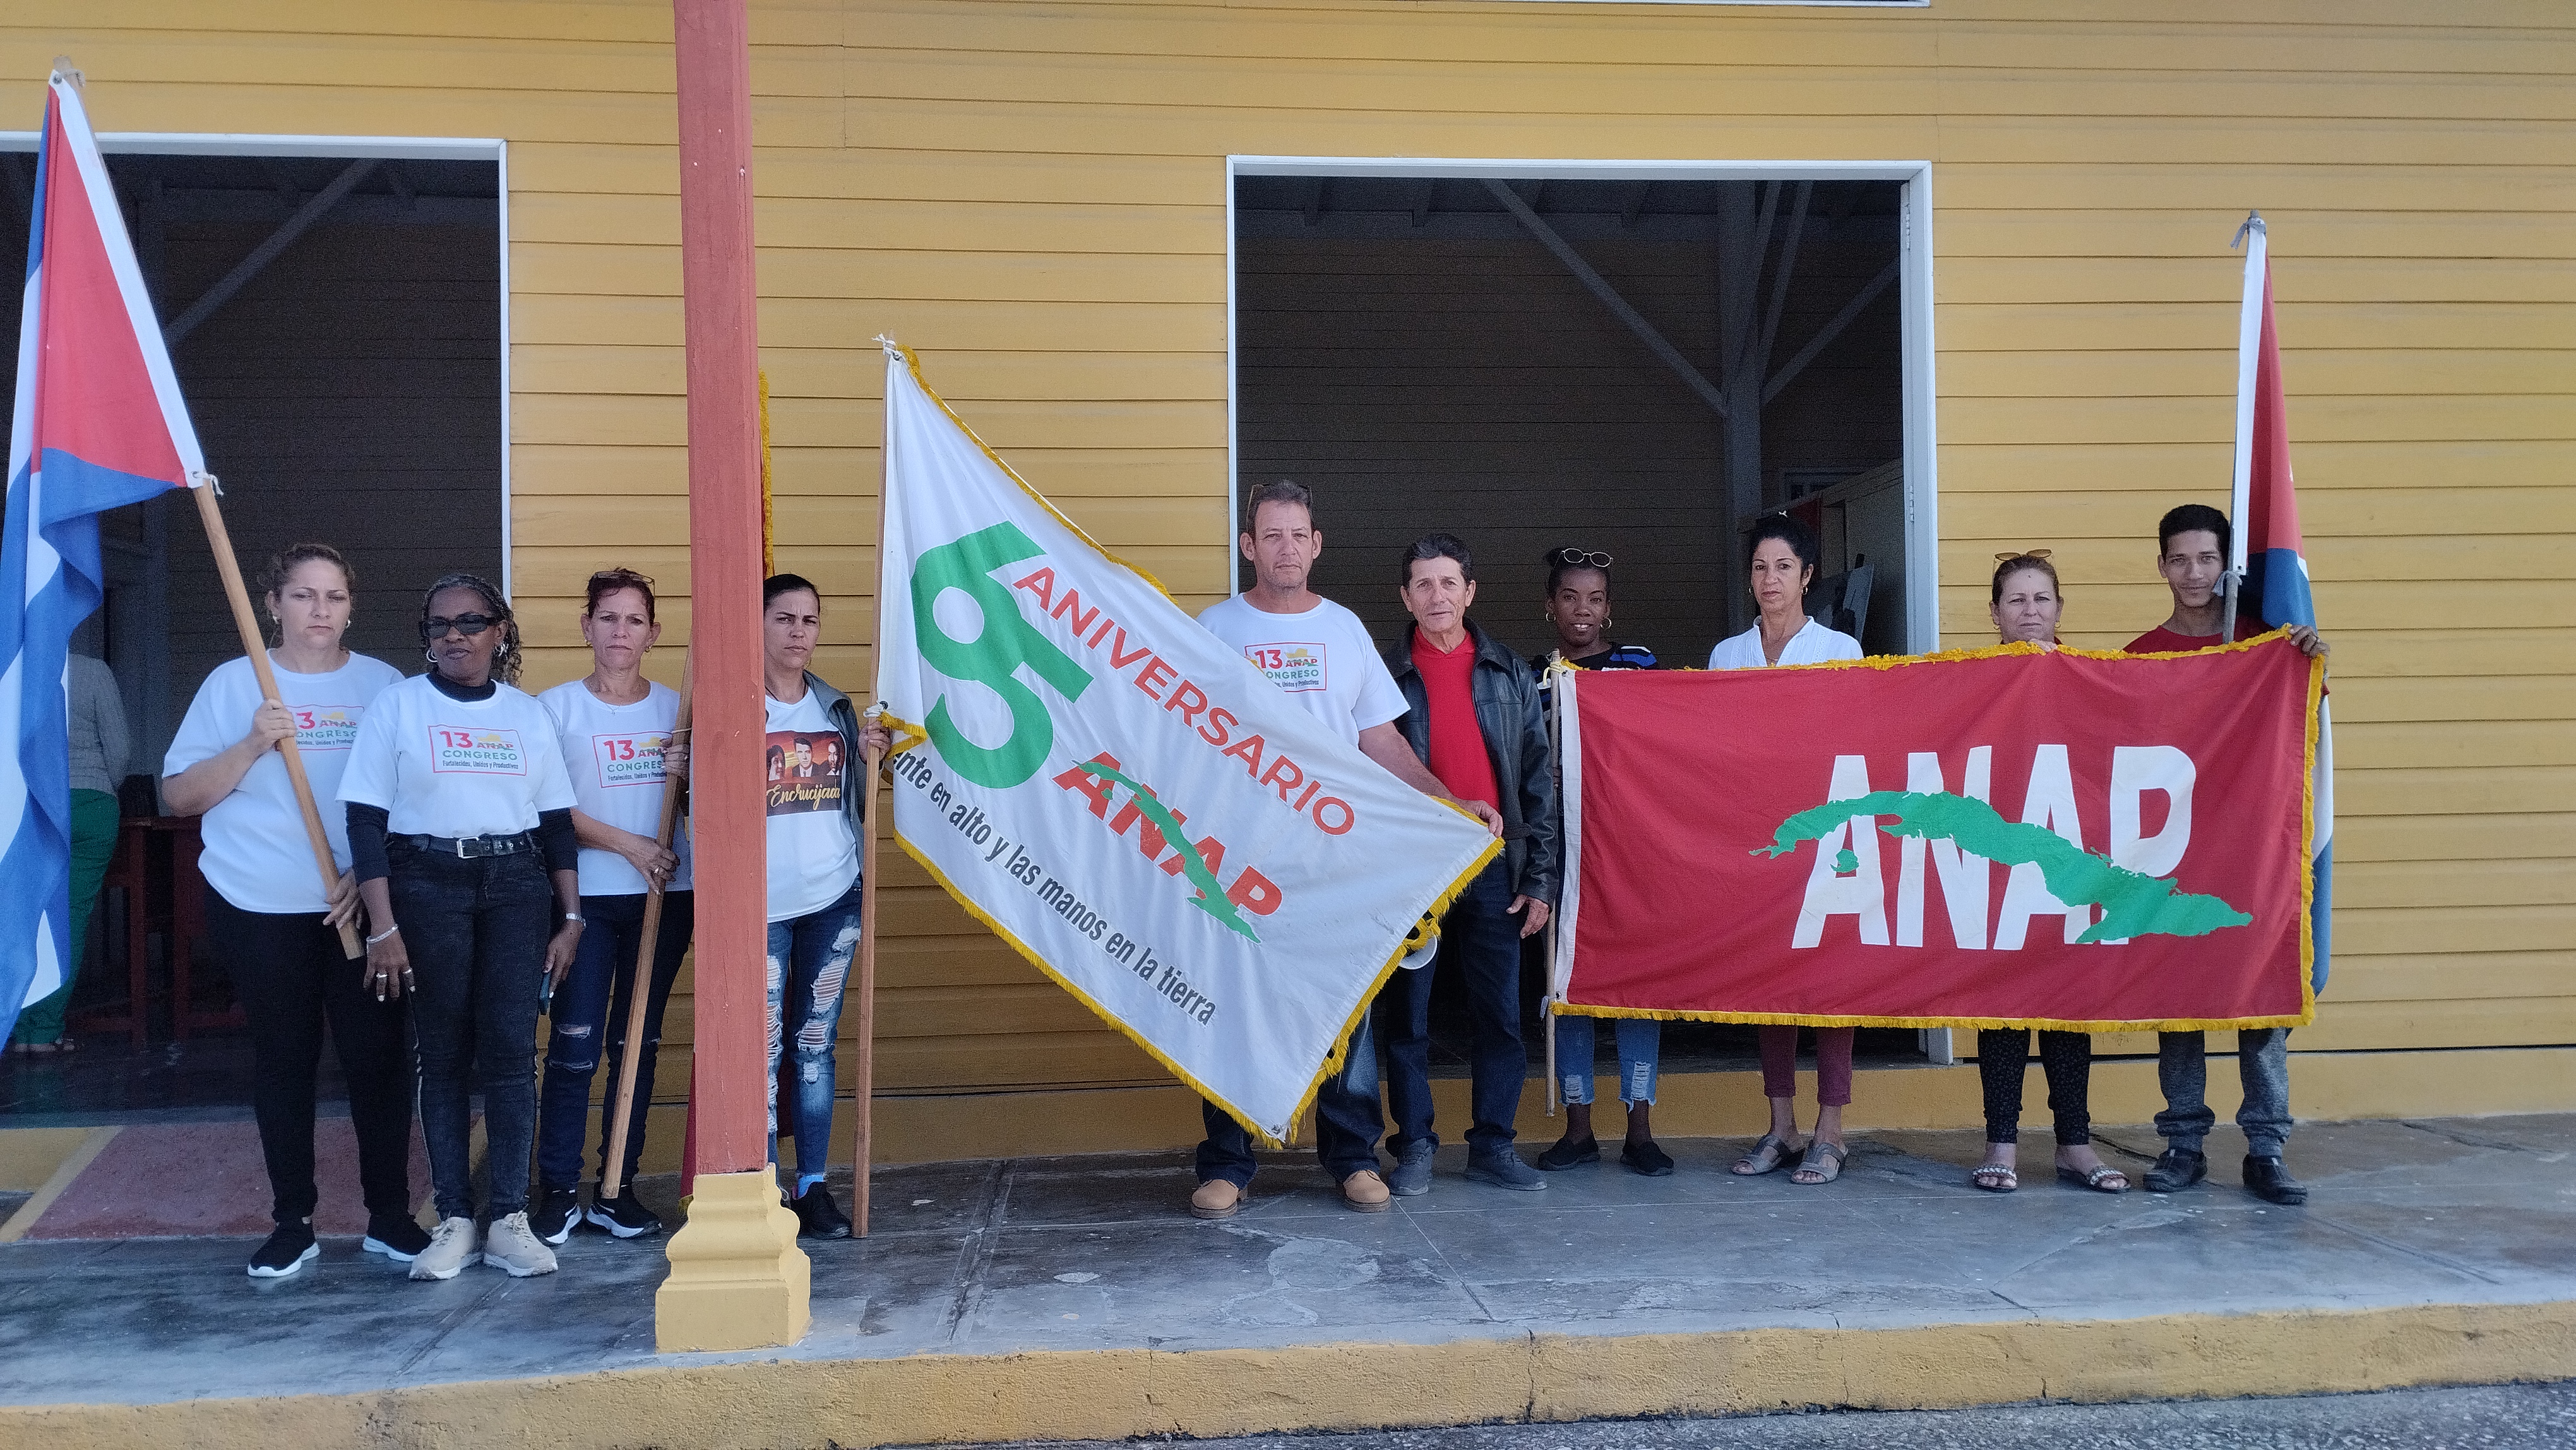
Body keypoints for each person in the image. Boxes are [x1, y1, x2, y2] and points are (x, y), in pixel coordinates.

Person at [1188, 481, 1501, 1219]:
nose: (1286, 548)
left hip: (1333, 861)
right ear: (1249, 546)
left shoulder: (1344, 631)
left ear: (1317, 543)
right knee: (1234, 1006)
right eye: (1272, 535)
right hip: (1238, 860)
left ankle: (1352, 1156)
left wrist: (1449, 803)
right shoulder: (1212, 630)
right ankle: (1229, 1161)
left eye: (1298, 534)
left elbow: (1381, 740)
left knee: (1347, 1008)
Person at [161, 544, 420, 1278]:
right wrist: (252, 742)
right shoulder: (234, 684)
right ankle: (292, 1221)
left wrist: (370, 874)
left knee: (377, 1058)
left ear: (350, 607)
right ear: (272, 603)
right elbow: (179, 797)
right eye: (304, 596)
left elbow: (418, 795)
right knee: (285, 1058)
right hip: (259, 903)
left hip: (362, 905)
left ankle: (390, 1216)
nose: (320, 611)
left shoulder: (384, 686)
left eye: (334, 597)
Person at [340, 573, 583, 1281]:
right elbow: (365, 821)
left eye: (471, 622)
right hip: (425, 881)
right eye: (439, 625)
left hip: (515, 883)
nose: (455, 635)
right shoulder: (398, 707)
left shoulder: (527, 715)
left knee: (511, 1052)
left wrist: (570, 916)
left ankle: (508, 1217)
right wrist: (382, 925)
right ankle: (453, 1217)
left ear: (499, 631)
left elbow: (557, 824)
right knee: (441, 1054)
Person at [2125, 504, 2327, 1206]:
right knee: (2180, 1003)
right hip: (2175, 860)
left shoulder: (2262, 648)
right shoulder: (2139, 658)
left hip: (2250, 854)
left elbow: (2304, 719)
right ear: (2161, 566)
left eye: (2206, 559)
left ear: (2226, 564)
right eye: (2179, 559)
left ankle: (2266, 1149)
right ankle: (2184, 1143)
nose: (2193, 574)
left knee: (2258, 998)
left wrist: (2302, 658)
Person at [1381, 533, 1558, 1194]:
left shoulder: (1510, 670)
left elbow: (1540, 782)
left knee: (1499, 1016)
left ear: (1470, 591)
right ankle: (1416, 1146)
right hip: (1413, 868)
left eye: (1448, 582)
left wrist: (1538, 877)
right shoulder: (1384, 676)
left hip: (1493, 864)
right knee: (1410, 1018)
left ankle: (1492, 1144)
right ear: (1406, 596)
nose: (1437, 596)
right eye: (1423, 584)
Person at [530, 570, 693, 1245]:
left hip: (664, 898)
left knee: (637, 1044)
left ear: (653, 634)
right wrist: (628, 843)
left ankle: (616, 1189)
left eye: (634, 620)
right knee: (574, 1047)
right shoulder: (556, 709)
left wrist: (694, 770)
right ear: (586, 626)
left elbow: (703, 807)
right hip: (586, 900)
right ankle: (559, 1192)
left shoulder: (679, 709)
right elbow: (549, 810)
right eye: (608, 618)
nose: (620, 631)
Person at [1967, 553, 2126, 1195]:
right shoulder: (1968, 680)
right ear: (1996, 613)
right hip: (1999, 860)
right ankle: (2000, 1144)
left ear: (2061, 608)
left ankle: (2075, 1145)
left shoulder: (2095, 678)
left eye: (2041, 599)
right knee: (2002, 1003)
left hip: (2072, 860)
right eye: (2016, 600)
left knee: (2068, 1000)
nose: (2030, 611)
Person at [1717, 513, 1865, 1187]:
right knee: (1769, 982)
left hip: (1828, 837)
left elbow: (1852, 746)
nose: (1769, 579)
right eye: (1759, 567)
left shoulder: (1842, 650)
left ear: (1808, 576)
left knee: (1831, 984)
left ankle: (1831, 1131)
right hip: (1762, 841)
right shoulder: (1727, 656)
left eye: (1782, 567)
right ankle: (1782, 1124)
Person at [1527, 546, 1667, 1177]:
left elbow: (1671, 735)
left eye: (1594, 599)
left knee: (1638, 987)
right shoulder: (1533, 676)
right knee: (1572, 986)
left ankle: (1641, 1126)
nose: (1582, 611)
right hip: (1564, 850)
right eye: (1570, 598)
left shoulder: (1638, 665)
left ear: (1609, 610)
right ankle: (1579, 1126)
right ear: (1550, 606)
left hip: (1633, 847)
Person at [760, 573, 892, 1239]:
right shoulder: (733, 708)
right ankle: (761, 1186)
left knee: (812, 1043)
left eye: (809, 620)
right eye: (784, 618)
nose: (798, 633)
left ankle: (811, 1184)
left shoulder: (836, 710)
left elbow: (862, 799)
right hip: (759, 908)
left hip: (833, 898)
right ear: (757, 624)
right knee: (759, 1046)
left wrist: (873, 759)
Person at [7, 654, 128, 1053]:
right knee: (69, 918)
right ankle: (43, 1031)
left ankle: (15, 1024)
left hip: (26, 807)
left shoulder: (11, 668)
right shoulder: (92, 671)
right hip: (88, 804)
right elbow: (120, 752)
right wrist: (97, 786)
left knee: (18, 917)